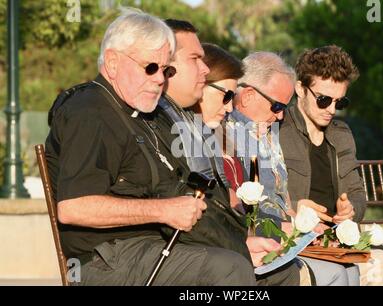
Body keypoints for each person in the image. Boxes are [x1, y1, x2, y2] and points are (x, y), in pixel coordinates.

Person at [45, 9, 257, 285]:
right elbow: (74, 208)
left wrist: (239, 240)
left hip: (157, 246)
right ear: (112, 62)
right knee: (229, 269)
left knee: (276, 272)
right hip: (105, 260)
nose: (160, 78)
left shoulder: (143, 115)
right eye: (150, 67)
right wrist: (163, 210)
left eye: (166, 69)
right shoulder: (90, 111)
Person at [279, 44, 383, 285]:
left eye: (340, 103)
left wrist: (351, 211)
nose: (331, 110)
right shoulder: (278, 130)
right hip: (309, 241)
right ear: (300, 89)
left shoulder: (341, 134)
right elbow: (266, 193)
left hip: (347, 237)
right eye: (324, 100)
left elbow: (357, 193)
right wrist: (296, 208)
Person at [154, 20, 305, 285]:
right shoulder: (183, 129)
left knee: (289, 270)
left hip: (224, 241)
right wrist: (243, 242)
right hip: (189, 250)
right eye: (226, 96)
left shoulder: (209, 131)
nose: (230, 107)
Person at [227, 51, 362, 286]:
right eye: (277, 106)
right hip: (258, 242)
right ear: (247, 96)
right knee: (338, 272)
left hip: (290, 235)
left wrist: (300, 218)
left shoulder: (265, 134)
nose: (280, 115)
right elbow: (236, 208)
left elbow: (279, 199)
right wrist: (292, 225)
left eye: (339, 102)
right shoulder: (230, 135)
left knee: (350, 270)